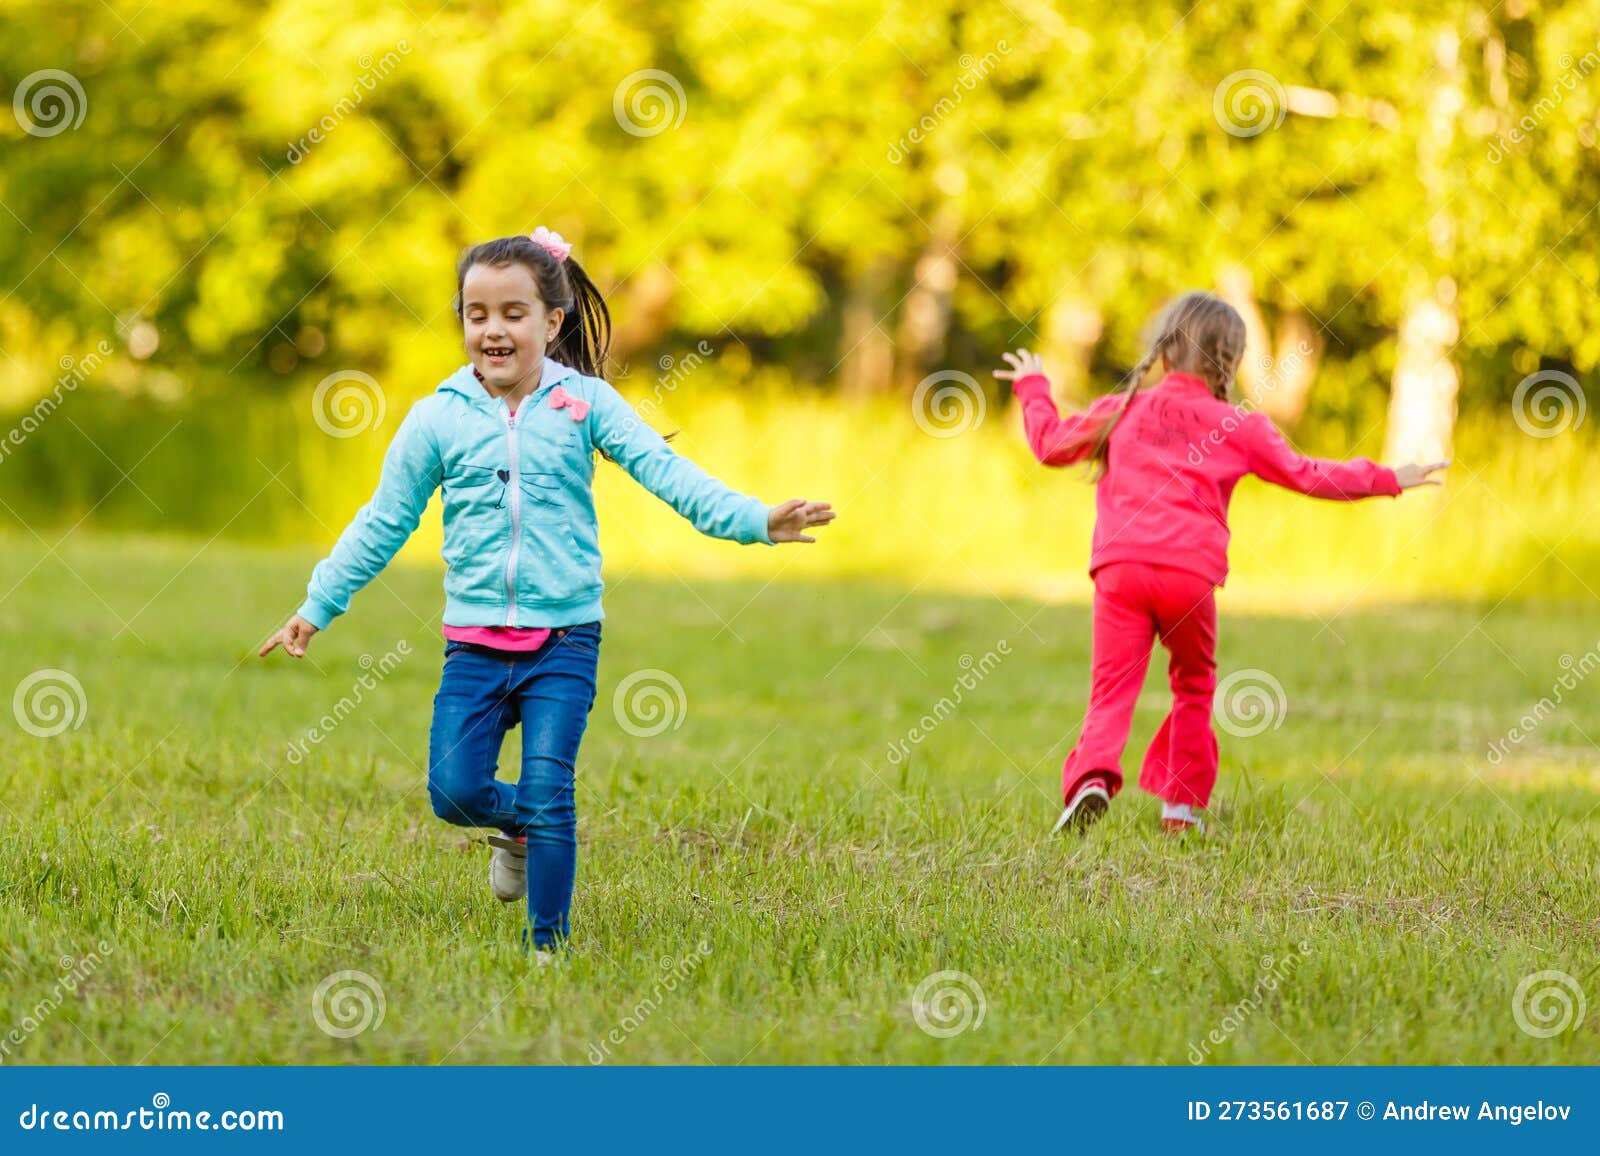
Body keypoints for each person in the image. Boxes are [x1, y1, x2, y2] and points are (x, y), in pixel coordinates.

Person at [260, 228, 835, 956]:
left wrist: (755, 520)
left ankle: (548, 948)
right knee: (453, 791)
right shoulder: (436, 418)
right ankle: (519, 825)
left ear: (551, 322)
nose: (492, 329)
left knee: (551, 785)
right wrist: (318, 606)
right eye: (476, 314)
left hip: (565, 639)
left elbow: (669, 474)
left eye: (512, 313)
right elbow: (383, 520)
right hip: (473, 643)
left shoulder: (585, 404)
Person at [994, 291, 1445, 836]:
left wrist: (1033, 387)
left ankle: (1091, 776)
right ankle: (1181, 810)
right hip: (1189, 578)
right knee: (1193, 685)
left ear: (1163, 351)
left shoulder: (1124, 409)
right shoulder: (1240, 426)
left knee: (1112, 689)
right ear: (1230, 362)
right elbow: (1308, 474)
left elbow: (1049, 444)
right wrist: (1391, 477)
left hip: (1121, 570)